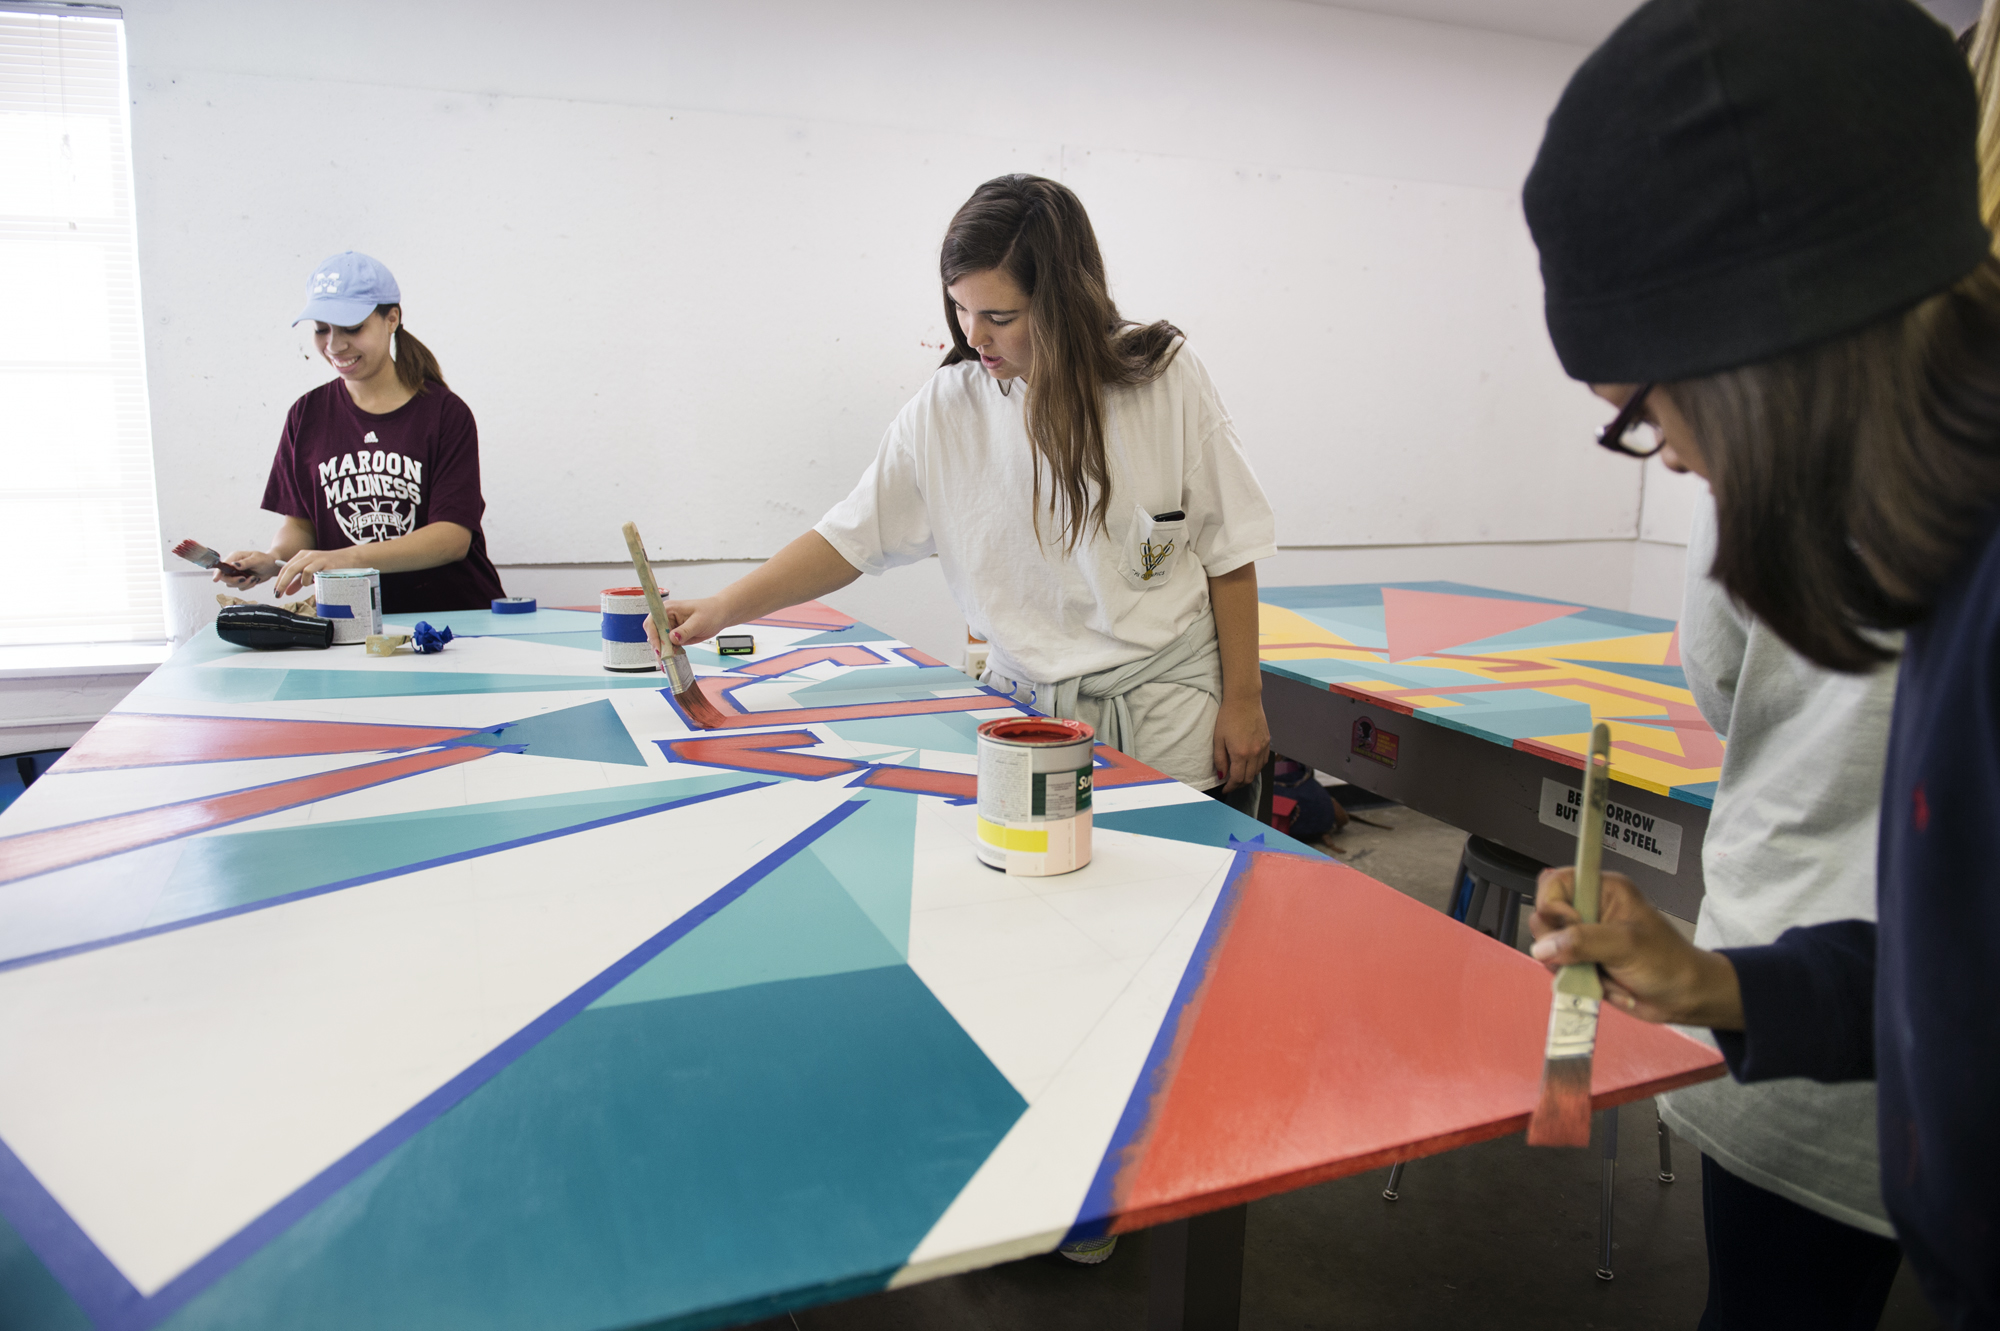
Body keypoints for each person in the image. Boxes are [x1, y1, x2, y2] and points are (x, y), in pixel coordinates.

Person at [1517, 0, 2000, 1324]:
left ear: (1770, 353)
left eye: (1648, 407)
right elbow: (1958, 963)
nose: (1668, 455)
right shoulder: (1950, 567)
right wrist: (1722, 980)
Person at [655, 175, 1278, 816]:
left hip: (1169, 718)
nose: (973, 334)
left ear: (1064, 301)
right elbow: (850, 538)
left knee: (1177, 898)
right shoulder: (947, 408)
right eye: (960, 308)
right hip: (1025, 719)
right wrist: (723, 608)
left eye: (999, 317)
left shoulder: (1163, 378)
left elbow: (1229, 552)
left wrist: (1243, 701)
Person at [1654, 497, 1902, 1328]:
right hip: (1826, 1026)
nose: (1676, 461)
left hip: (1804, 1050)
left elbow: (1720, 675)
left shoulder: (1766, 444)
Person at [215, 251, 506, 613]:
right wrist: (275, 559)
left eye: (352, 328)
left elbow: (451, 539)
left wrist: (346, 559)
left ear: (392, 319)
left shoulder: (445, 414)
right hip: (353, 620)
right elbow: (302, 524)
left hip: (455, 620)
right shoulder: (306, 414)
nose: (335, 345)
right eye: (322, 329)